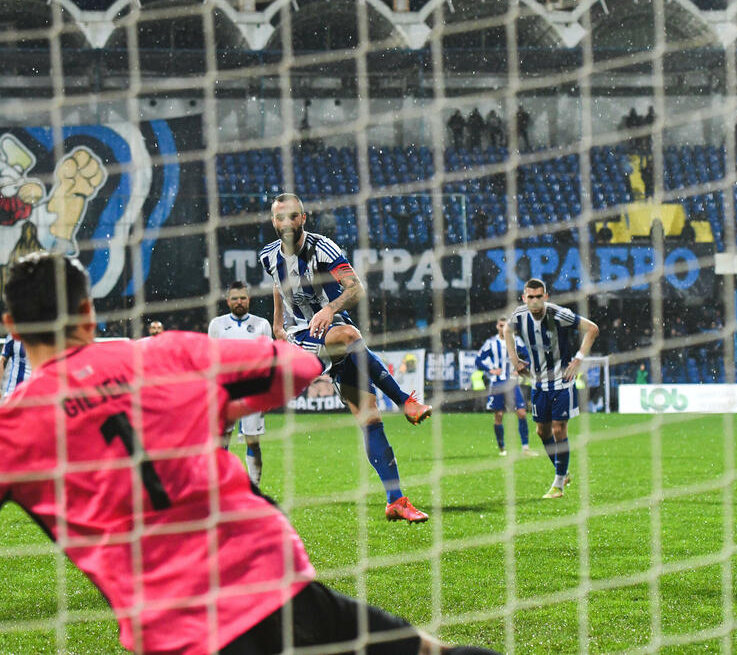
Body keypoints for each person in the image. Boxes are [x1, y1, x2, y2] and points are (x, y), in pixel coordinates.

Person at [0, 251, 497, 655]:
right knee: (431, 651)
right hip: (273, 577)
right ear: (88, 312)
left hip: (178, 629)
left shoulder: (13, 428)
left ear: (12, 327)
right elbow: (295, 369)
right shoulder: (163, 355)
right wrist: (218, 402)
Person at [259, 193, 431, 522]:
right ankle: (405, 402)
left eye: (292, 217)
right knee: (350, 336)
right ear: (273, 222)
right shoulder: (269, 256)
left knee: (370, 420)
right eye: (280, 218)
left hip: (331, 332)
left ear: (303, 219)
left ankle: (395, 499)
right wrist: (277, 324)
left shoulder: (324, 248)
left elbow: (356, 289)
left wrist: (328, 307)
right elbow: (277, 286)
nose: (286, 223)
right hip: (301, 337)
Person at [504, 278, 599, 498]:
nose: (535, 302)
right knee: (542, 431)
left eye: (539, 297)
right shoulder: (519, 316)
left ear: (546, 297)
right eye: (531, 297)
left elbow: (592, 329)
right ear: (524, 298)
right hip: (537, 382)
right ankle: (563, 472)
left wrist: (578, 359)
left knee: (558, 429)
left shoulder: (559, 314)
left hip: (561, 381)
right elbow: (507, 330)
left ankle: (558, 485)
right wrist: (514, 359)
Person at [208, 280, 273, 485]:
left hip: (253, 390)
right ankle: (222, 486)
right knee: (221, 441)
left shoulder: (262, 324)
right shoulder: (217, 325)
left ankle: (254, 487)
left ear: (249, 300)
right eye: (234, 298)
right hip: (225, 390)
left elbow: (269, 360)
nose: (239, 302)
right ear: (228, 301)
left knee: (253, 441)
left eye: (242, 298)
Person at [475, 318, 538, 457]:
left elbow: (529, 356)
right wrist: (490, 369)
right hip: (497, 383)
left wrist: (520, 368)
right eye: (501, 325)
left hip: (512, 382)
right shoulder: (491, 343)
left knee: (521, 413)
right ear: (497, 326)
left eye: (506, 325)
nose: (503, 328)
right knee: (498, 415)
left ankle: (526, 448)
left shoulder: (516, 340)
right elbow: (478, 360)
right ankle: (502, 448)